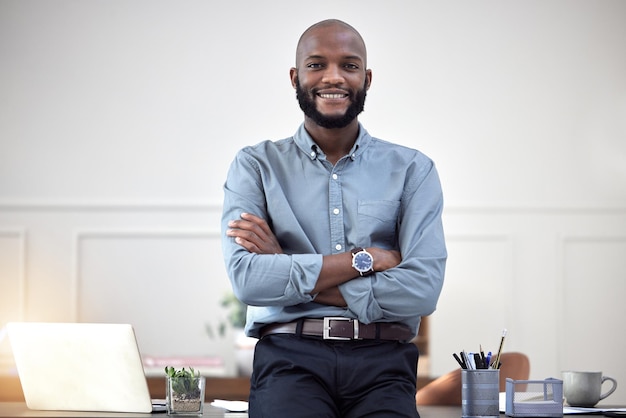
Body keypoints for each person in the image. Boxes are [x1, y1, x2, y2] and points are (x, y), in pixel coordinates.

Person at [221, 19, 446, 418]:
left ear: (367, 78)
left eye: (349, 65)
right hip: (290, 360)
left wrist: (285, 268)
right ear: (295, 77)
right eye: (316, 64)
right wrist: (367, 260)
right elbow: (249, 279)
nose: (333, 77)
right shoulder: (255, 166)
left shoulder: (413, 169)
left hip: (385, 363)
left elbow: (422, 290)